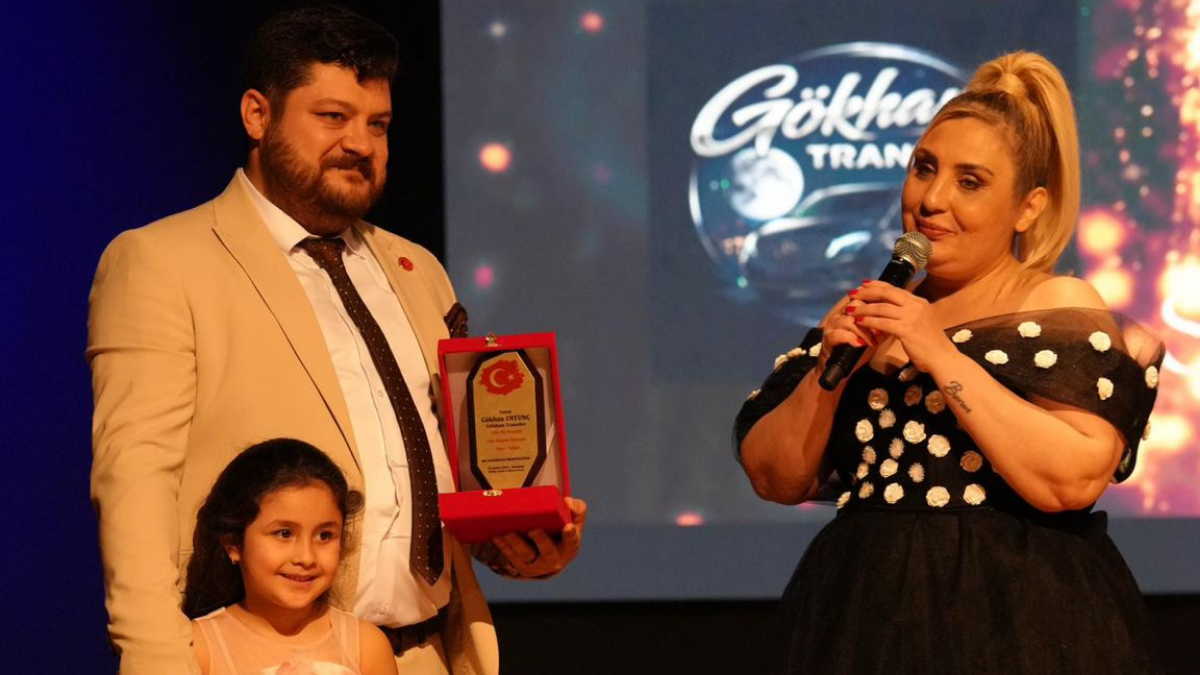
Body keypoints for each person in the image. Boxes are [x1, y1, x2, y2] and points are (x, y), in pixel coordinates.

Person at [87, 5, 586, 675]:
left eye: (378, 124)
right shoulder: (164, 261)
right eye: (332, 117)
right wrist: (156, 660)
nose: (361, 143)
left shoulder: (416, 269)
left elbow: (436, 481)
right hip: (263, 658)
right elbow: (135, 480)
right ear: (257, 115)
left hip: (428, 652)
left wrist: (518, 539)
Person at [735, 51, 1165, 674]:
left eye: (970, 182)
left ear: (1028, 207)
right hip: (863, 614)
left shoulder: (1055, 304)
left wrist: (936, 348)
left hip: (1017, 619)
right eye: (924, 169)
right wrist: (830, 373)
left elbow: (1071, 480)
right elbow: (775, 478)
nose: (932, 199)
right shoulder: (870, 311)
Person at [185, 439, 396, 675]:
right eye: (284, 534)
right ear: (233, 544)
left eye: (324, 535)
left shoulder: (366, 646)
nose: (306, 558)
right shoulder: (199, 648)